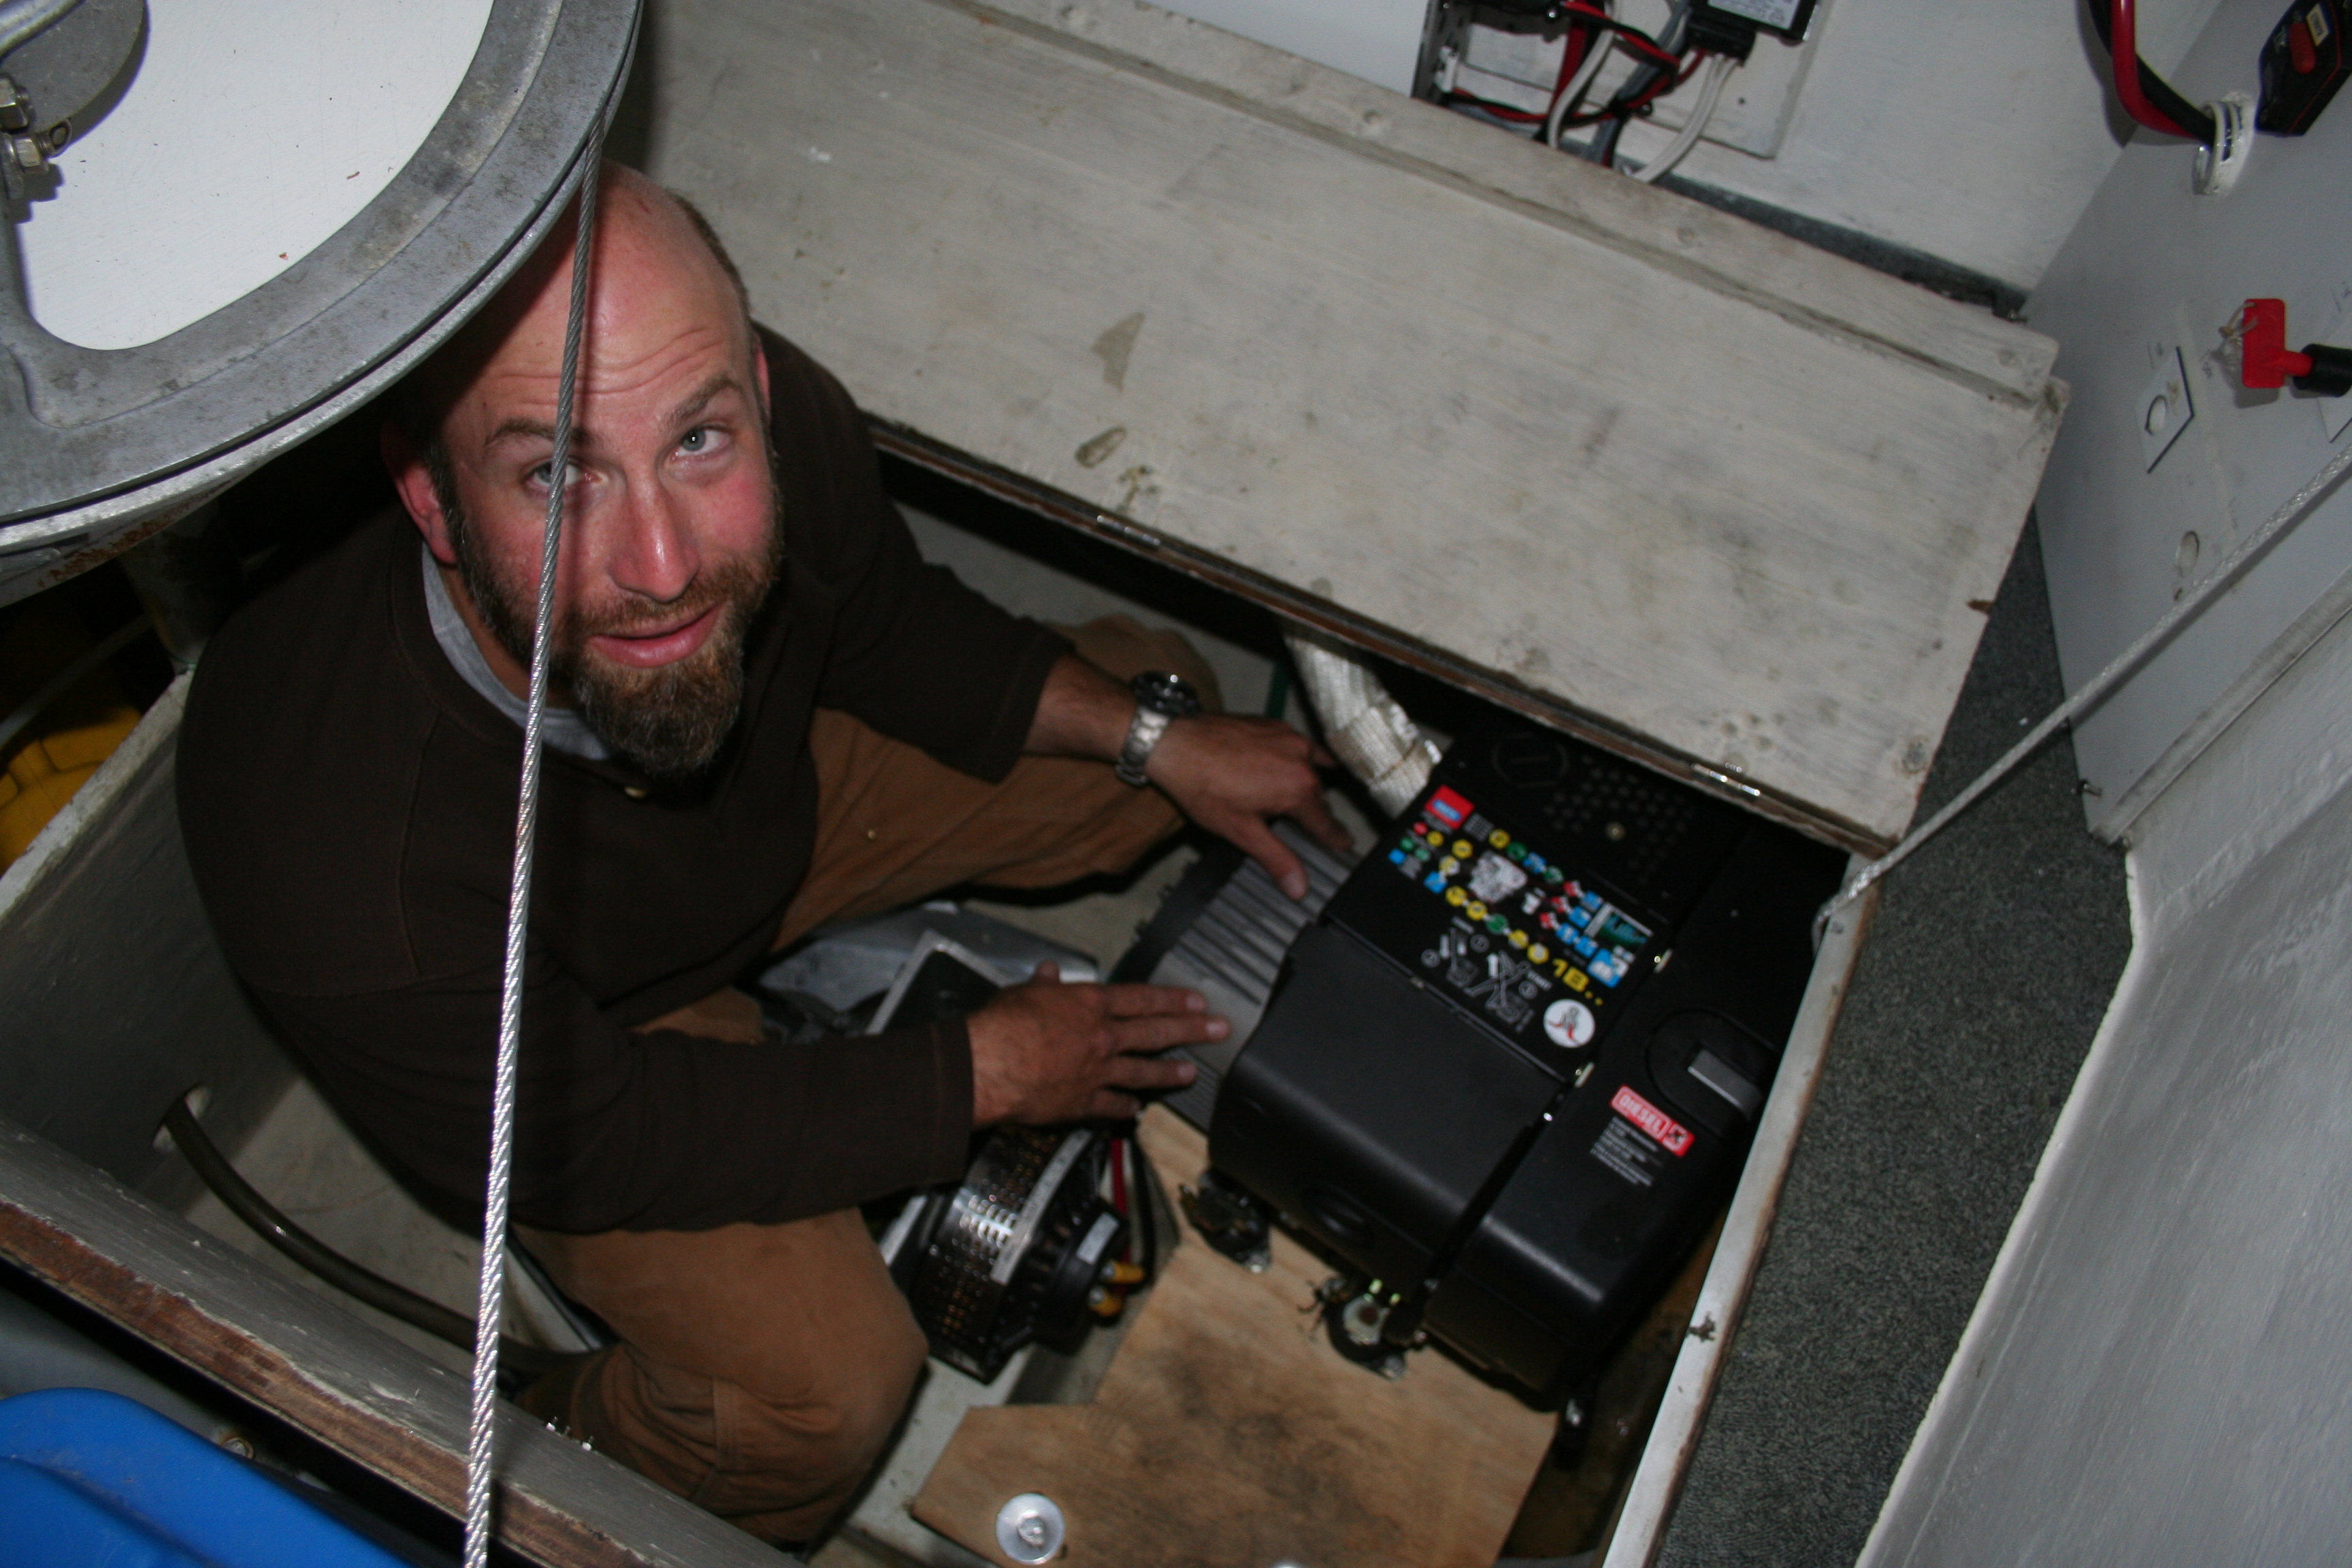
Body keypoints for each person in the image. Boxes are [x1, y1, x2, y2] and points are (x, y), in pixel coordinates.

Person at [176, 163, 1348, 1543]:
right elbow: (591, 1136)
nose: (663, 563)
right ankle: (566, 1446)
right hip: (578, 1032)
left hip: (756, 804)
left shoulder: (764, 423)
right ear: (429, 498)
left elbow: (891, 625)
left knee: (1156, 700)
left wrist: (1154, 738)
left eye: (698, 441)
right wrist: (973, 1074)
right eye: (556, 473)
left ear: (757, 396)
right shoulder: (327, 849)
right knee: (819, 1398)